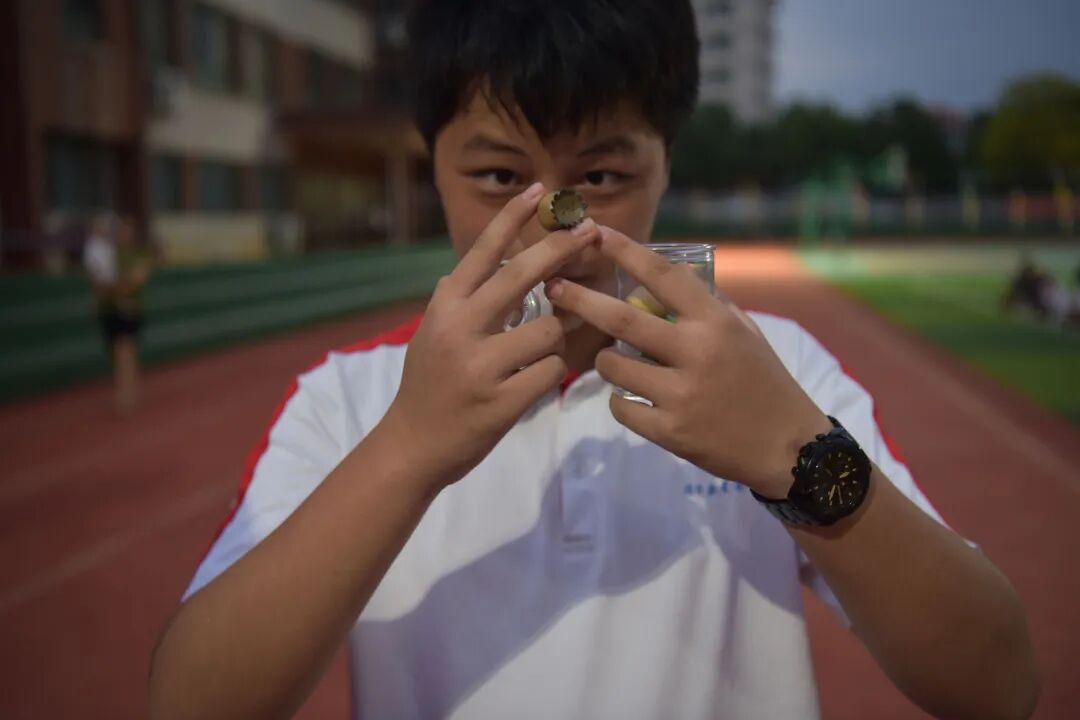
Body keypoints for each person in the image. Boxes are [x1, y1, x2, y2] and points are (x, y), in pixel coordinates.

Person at [149, 2, 1039, 718]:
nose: (555, 228)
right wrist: (409, 446)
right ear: (432, 166)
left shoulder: (776, 370)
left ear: (665, 164)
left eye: (601, 179)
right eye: (500, 178)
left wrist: (794, 453)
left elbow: (997, 686)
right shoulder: (346, 398)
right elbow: (190, 702)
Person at [83, 215, 151, 414]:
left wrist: (113, 291)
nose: (123, 234)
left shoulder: (139, 254)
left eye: (127, 230)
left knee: (124, 351)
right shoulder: (108, 254)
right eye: (120, 230)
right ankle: (125, 388)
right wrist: (101, 298)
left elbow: (135, 281)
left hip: (129, 312)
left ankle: (126, 395)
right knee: (116, 353)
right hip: (109, 311)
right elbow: (97, 281)